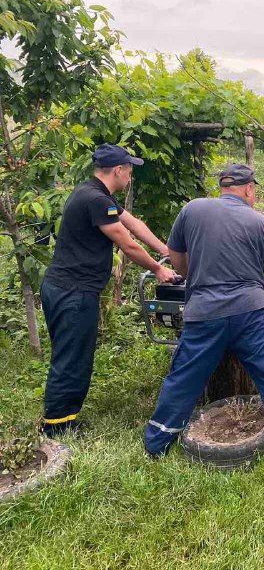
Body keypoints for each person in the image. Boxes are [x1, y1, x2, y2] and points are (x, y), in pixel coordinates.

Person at [143, 163, 264, 457]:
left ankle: (157, 441)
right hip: (252, 313)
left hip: (204, 313)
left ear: (223, 187)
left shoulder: (192, 210)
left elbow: (175, 256)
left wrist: (193, 279)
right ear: (249, 189)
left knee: (184, 376)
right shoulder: (262, 224)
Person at [41, 143, 179, 436]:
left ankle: (62, 417)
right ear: (119, 170)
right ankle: (56, 426)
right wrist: (158, 269)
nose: (130, 176)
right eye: (130, 170)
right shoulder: (96, 200)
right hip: (73, 292)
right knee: (72, 358)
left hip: (64, 287)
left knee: (71, 353)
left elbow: (135, 224)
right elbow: (127, 243)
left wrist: (167, 250)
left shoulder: (93, 192)